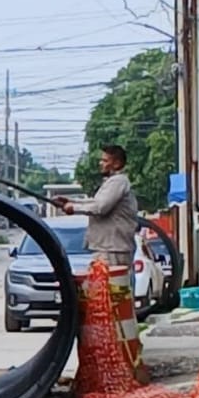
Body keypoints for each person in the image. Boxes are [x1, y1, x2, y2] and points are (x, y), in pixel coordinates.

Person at [58, 144, 149, 384]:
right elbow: (96, 201)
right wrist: (72, 201)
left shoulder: (119, 183)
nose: (101, 163)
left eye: (105, 160)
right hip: (105, 249)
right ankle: (108, 361)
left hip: (113, 251)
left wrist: (73, 207)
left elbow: (100, 207)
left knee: (113, 306)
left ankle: (121, 362)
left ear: (117, 163)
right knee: (103, 306)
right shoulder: (111, 185)